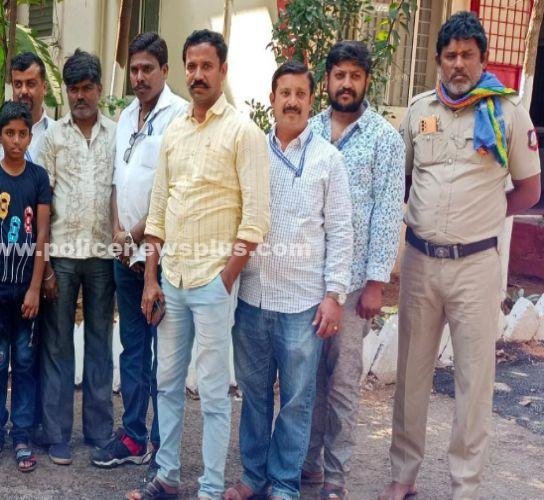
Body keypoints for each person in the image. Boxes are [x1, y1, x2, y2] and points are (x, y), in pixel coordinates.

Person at [379, 12, 541, 500]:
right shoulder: (419, 111)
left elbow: (529, 189)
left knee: (474, 381)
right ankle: (403, 476)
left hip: (476, 267)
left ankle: (464, 487)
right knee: (411, 375)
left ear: (482, 59)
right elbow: (405, 179)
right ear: (438, 60)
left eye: (468, 55)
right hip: (421, 263)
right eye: (450, 55)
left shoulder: (506, 113)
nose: (458, 64)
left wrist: (486, 215)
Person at [129, 30, 270, 500]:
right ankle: (167, 476)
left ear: (223, 70)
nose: (197, 75)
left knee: (211, 393)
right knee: (167, 384)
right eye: (191, 66)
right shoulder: (175, 131)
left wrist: (224, 279)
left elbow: (255, 219)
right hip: (171, 279)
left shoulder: (243, 133)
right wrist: (151, 278)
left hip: (212, 283)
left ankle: (210, 488)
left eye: (207, 66)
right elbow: (158, 212)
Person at [224, 61, 353, 500]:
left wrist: (334, 295)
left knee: (297, 400)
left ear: (311, 100)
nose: (292, 102)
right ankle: (252, 477)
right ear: (272, 99)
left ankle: (283, 484)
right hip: (253, 299)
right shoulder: (252, 152)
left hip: (303, 304)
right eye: (285, 93)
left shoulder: (328, 160)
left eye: (300, 94)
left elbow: (341, 232)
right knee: (254, 396)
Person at [302, 41, 405, 499]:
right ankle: (306, 465)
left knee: (342, 382)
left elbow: (388, 212)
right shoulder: (309, 130)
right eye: (339, 75)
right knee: (306, 380)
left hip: (355, 283)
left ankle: (336, 476)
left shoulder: (385, 138)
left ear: (367, 81)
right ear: (327, 80)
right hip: (306, 280)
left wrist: (376, 284)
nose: (346, 84)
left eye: (355, 76)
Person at [90, 32, 186, 476]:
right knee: (132, 349)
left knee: (165, 355)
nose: (140, 76)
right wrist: (117, 229)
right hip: (125, 257)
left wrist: (133, 233)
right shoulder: (127, 115)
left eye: (148, 68)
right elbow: (118, 182)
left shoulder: (179, 117)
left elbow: (173, 193)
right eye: (135, 69)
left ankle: (162, 447)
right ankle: (132, 435)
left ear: (165, 70)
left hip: (162, 258)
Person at [37, 49, 116, 465]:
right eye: (73, 89)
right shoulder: (53, 137)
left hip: (102, 255)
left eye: (87, 88)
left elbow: (119, 191)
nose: (80, 96)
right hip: (62, 254)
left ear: (99, 89)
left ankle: (100, 431)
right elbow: (42, 202)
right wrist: (45, 264)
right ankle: (57, 434)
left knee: (101, 342)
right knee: (57, 344)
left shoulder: (116, 134)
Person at [0, 101, 51, 474]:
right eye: (9, 133)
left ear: (30, 136)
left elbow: (42, 237)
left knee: (23, 362)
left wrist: (36, 287)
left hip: (26, 292)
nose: (16, 140)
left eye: (22, 134)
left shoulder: (38, 178)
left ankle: (21, 434)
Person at [0, 52, 51, 170]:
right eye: (18, 84)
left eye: (30, 84)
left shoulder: (55, 132)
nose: (24, 91)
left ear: (44, 88)